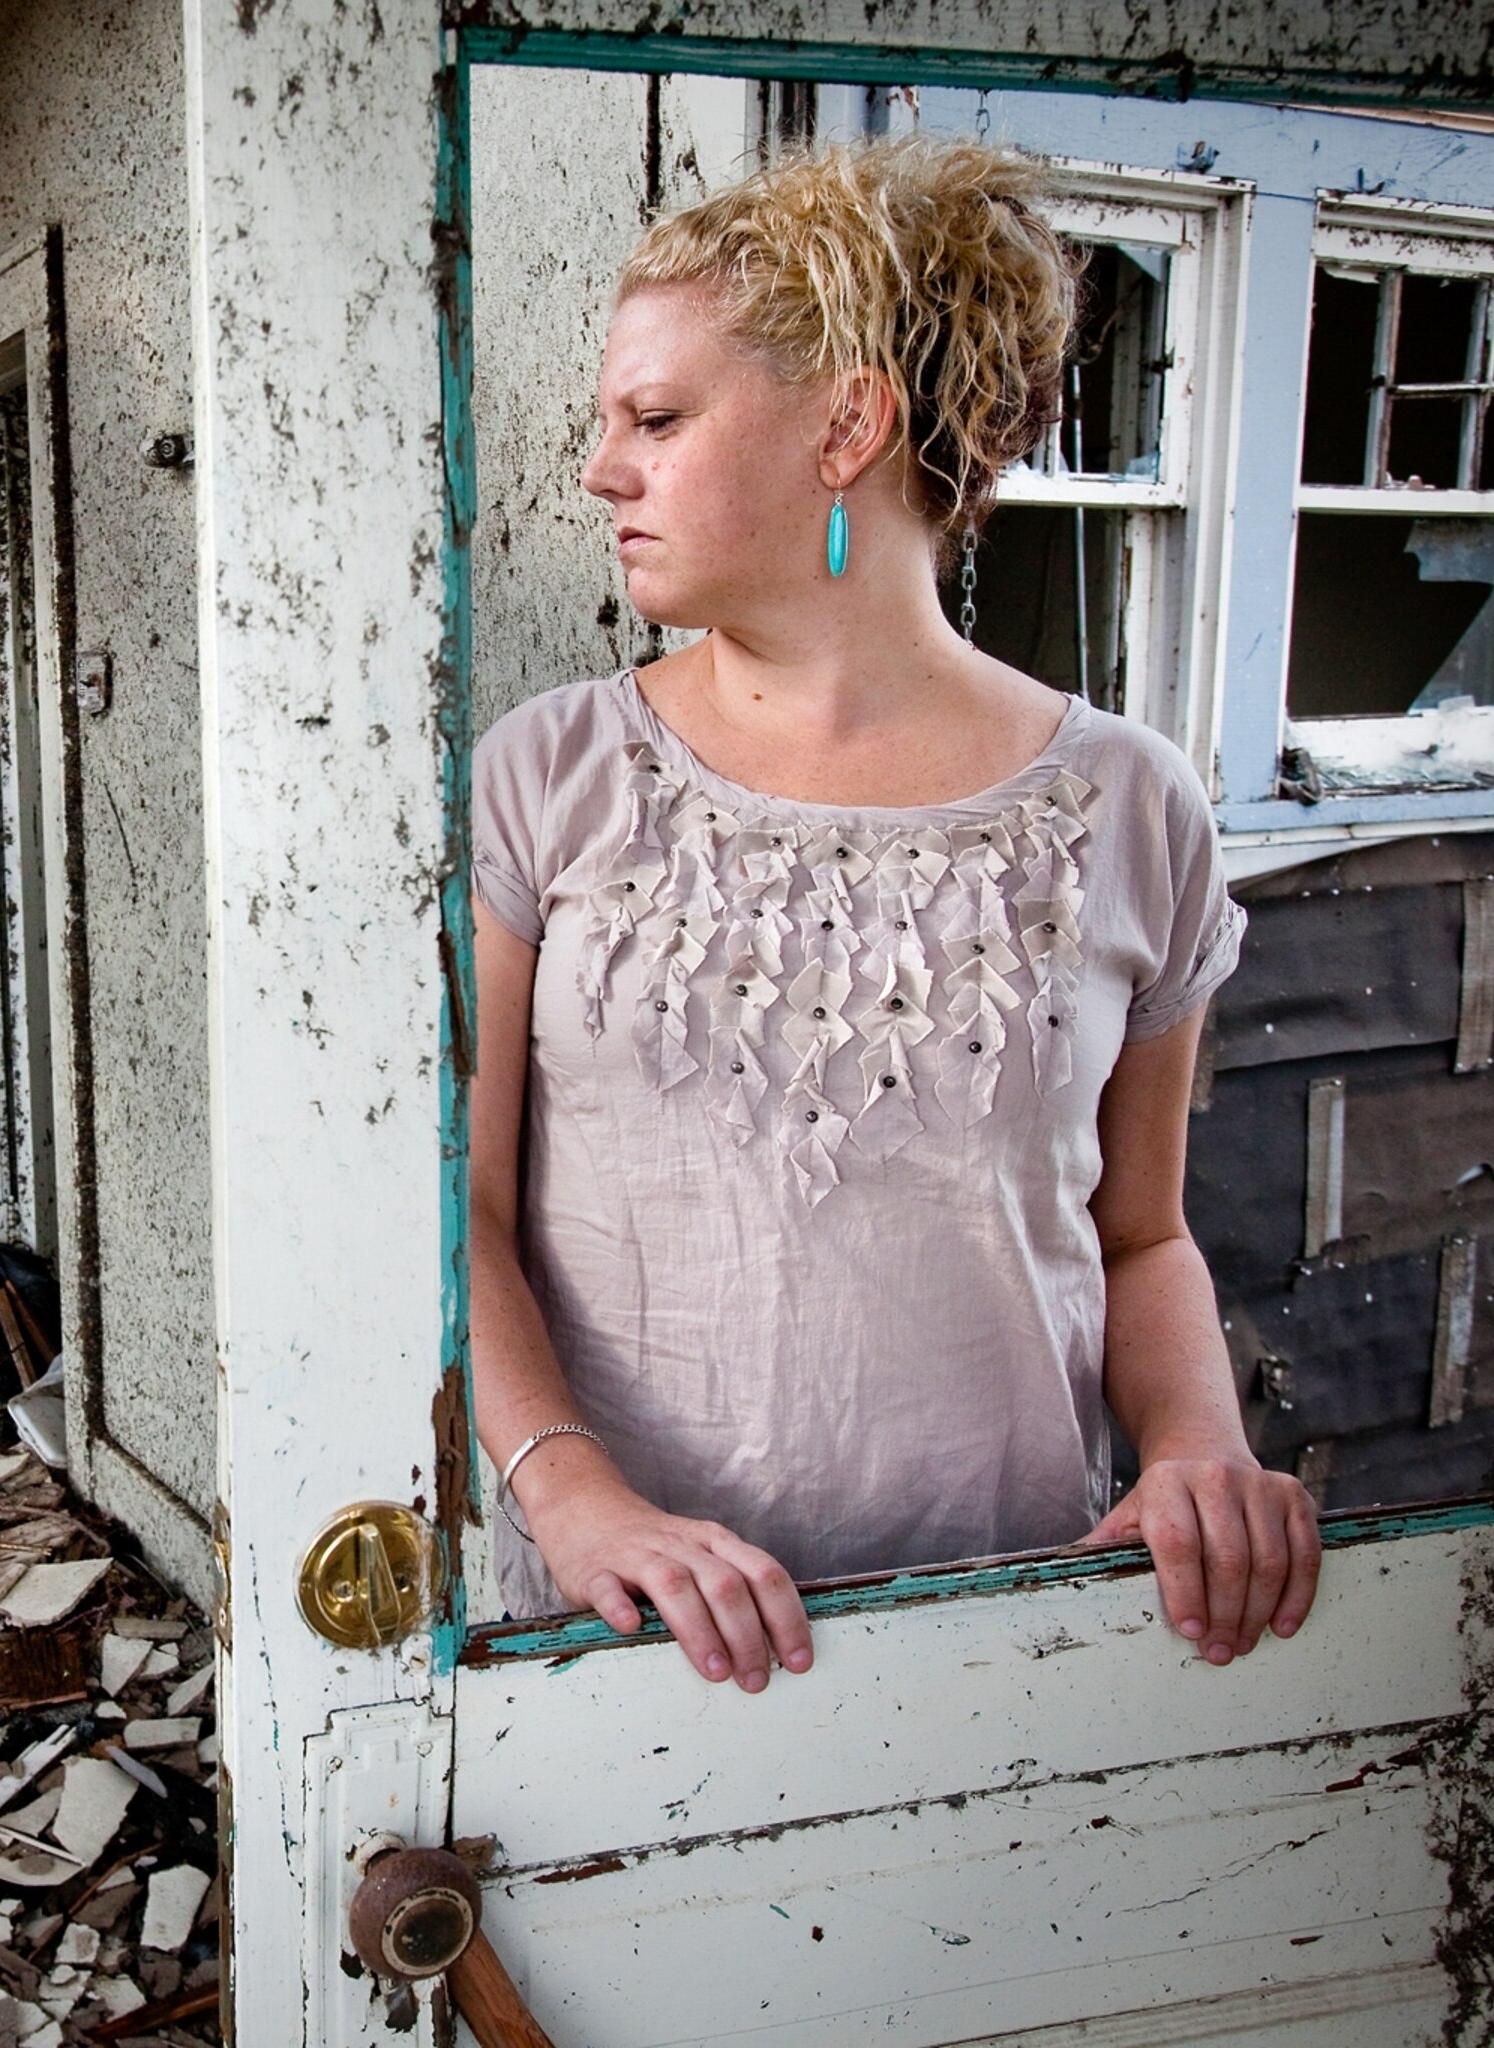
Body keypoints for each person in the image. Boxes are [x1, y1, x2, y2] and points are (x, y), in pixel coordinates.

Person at [468, 134, 1320, 1694]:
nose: (604, 468)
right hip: (624, 1636)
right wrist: (577, 1501)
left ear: (849, 423)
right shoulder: (549, 775)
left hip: (1010, 1625)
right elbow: (461, 1213)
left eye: (657, 419)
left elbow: (1142, 1233)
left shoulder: (1132, 807)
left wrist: (1196, 1447)